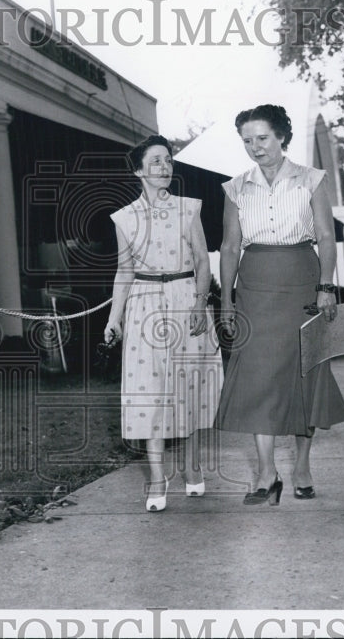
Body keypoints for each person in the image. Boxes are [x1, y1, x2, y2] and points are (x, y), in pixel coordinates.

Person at [216, 105, 344, 505]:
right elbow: (229, 247)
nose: (254, 147)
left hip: (303, 280)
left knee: (305, 374)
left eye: (262, 138)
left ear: (281, 138)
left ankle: (303, 467)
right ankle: (265, 472)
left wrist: (327, 287)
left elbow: (327, 238)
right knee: (258, 378)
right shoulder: (235, 188)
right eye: (246, 141)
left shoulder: (312, 180)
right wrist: (227, 299)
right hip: (255, 284)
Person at [104, 135, 223, 512]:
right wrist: (114, 319)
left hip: (187, 298)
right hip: (143, 305)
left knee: (188, 386)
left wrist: (201, 303)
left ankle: (191, 466)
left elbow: (203, 262)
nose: (164, 167)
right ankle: (157, 477)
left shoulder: (188, 209)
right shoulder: (124, 218)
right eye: (155, 161)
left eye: (168, 160)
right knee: (150, 391)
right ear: (139, 170)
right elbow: (124, 271)